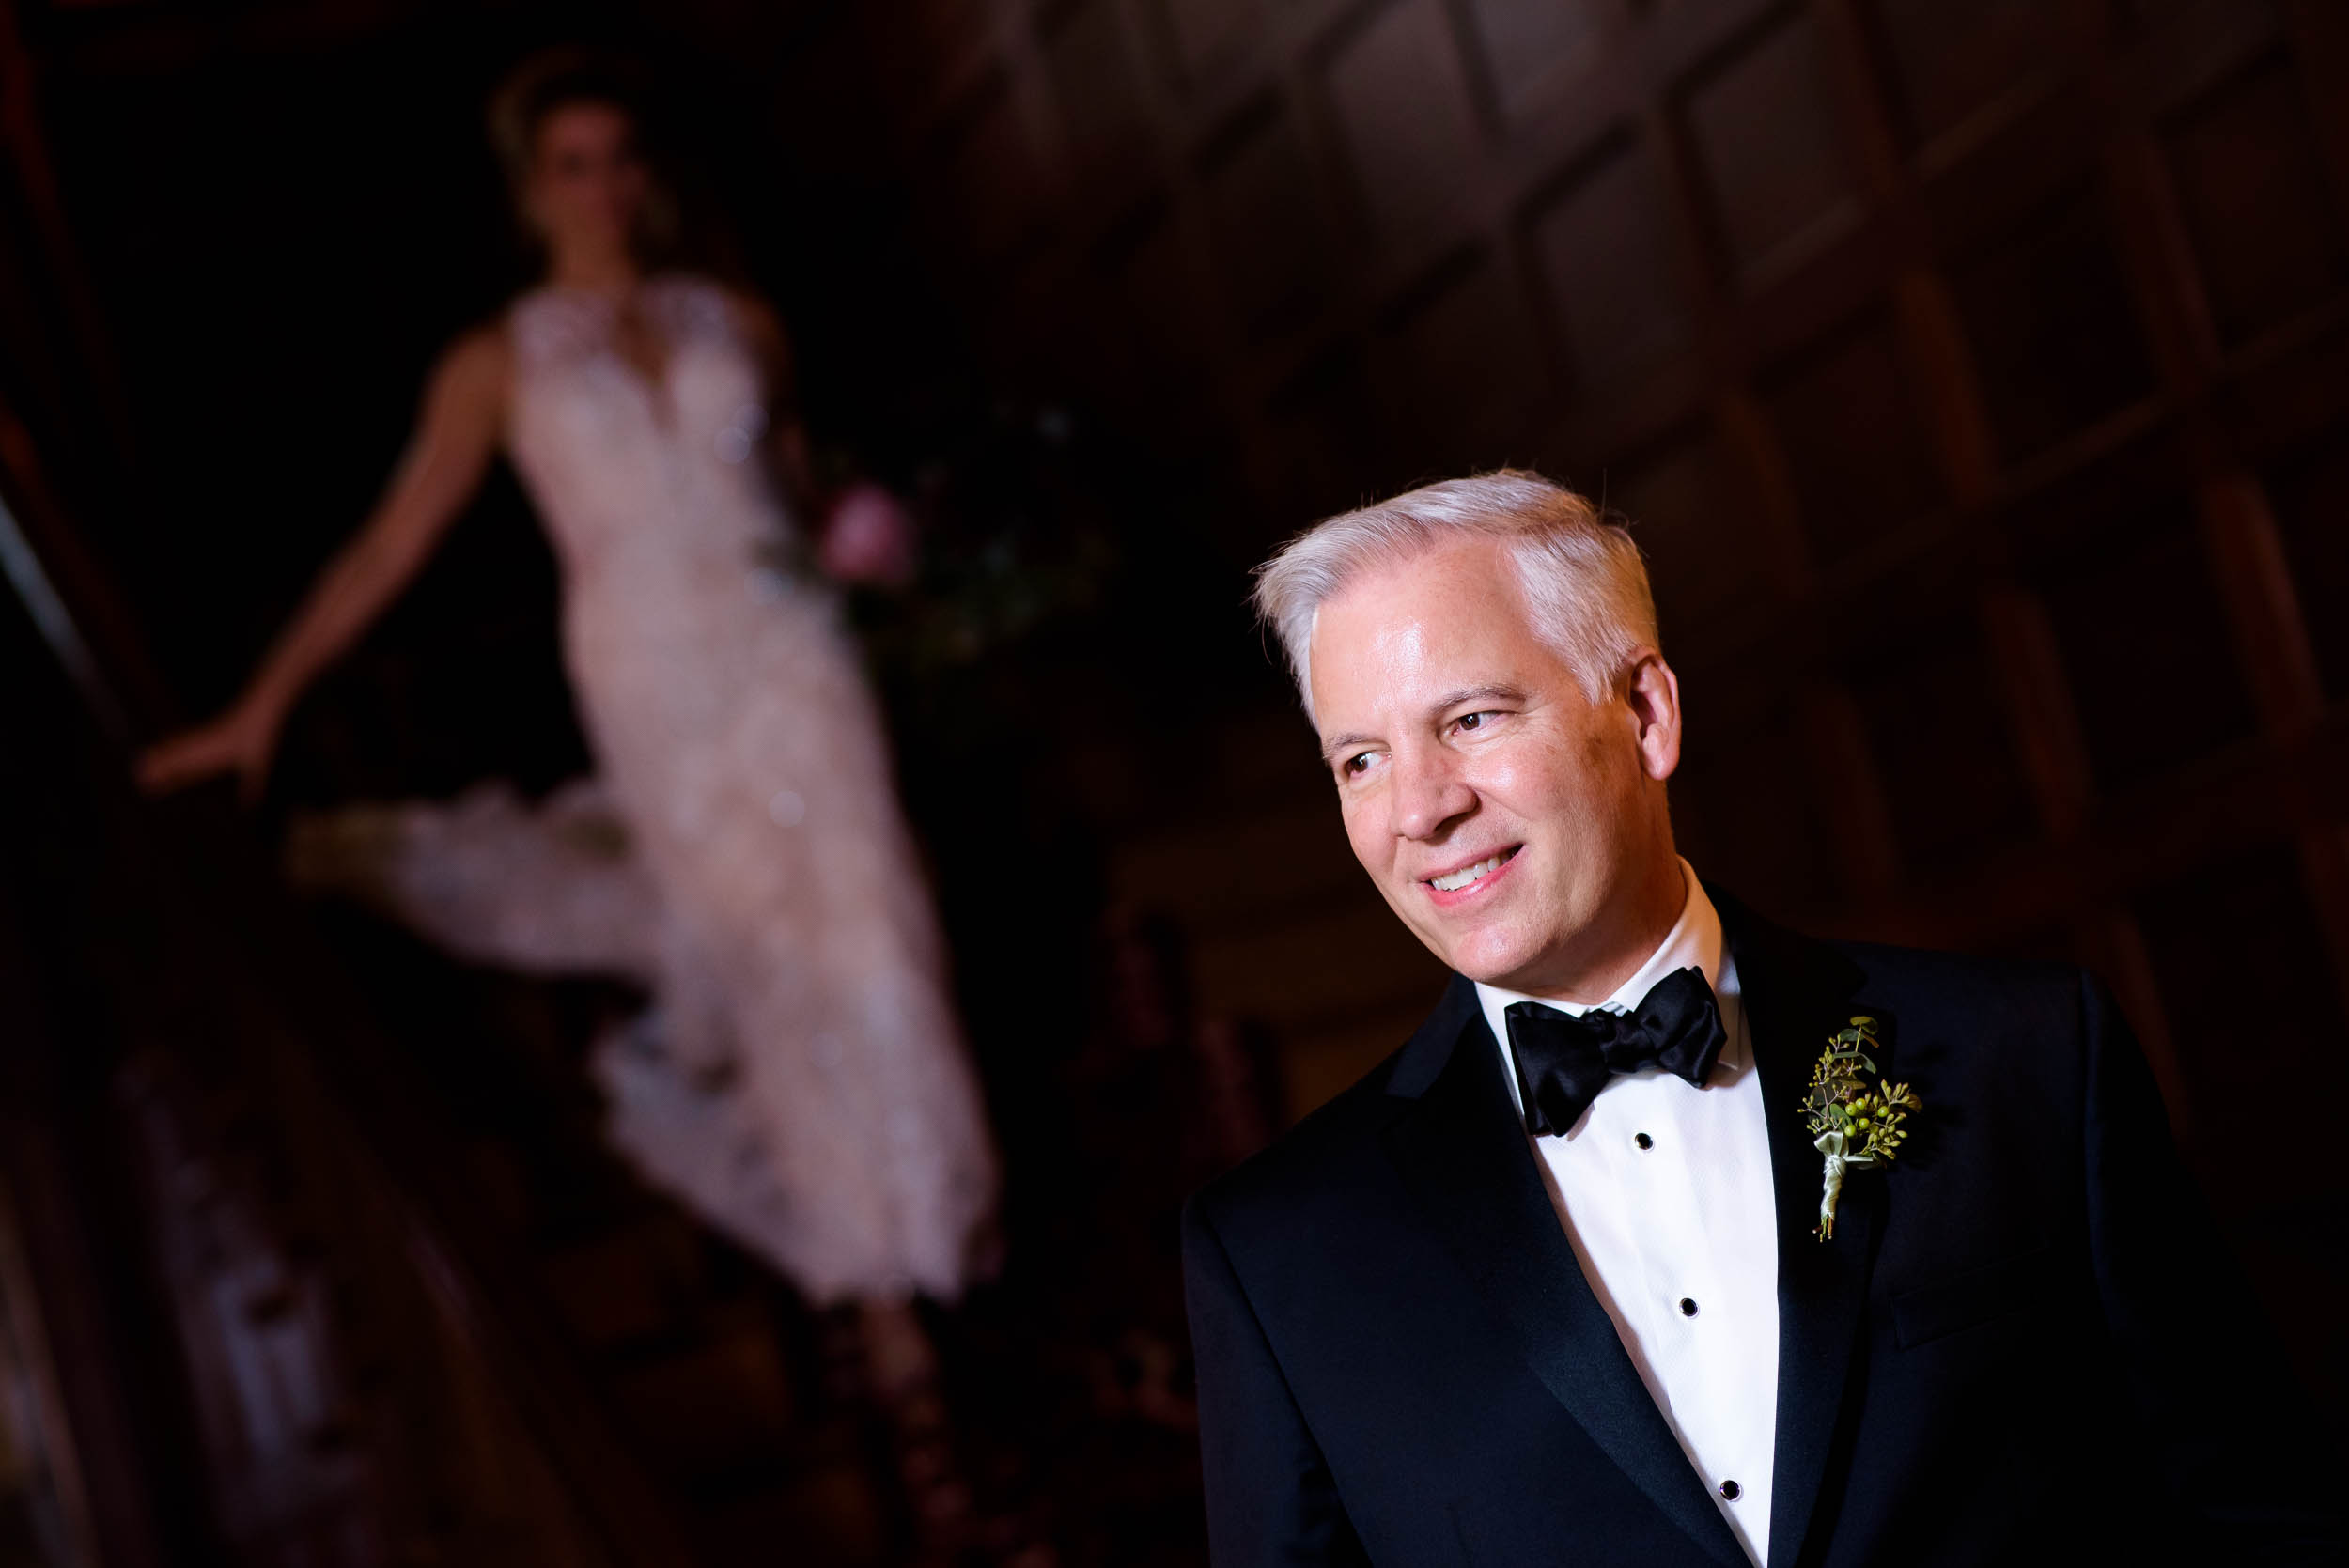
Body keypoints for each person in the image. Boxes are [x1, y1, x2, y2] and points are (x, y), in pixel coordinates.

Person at [1182, 470, 2342, 1566]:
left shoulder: (2026, 1060)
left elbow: (2253, 1512)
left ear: (1644, 713)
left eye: (1473, 719)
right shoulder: (1279, 1254)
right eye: (1362, 759)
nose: (1420, 808)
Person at [139, 49, 999, 1424]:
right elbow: (386, 546)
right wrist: (262, 705)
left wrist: (884, 556)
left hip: (795, 659)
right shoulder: (497, 361)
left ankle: (932, 1246)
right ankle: (880, 1293)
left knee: (874, 921)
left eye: (623, 159)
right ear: (531, 192)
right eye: (573, 165)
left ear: (651, 178)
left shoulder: (739, 321)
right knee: (755, 944)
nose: (605, 188)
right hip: (653, 676)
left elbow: (800, 493)